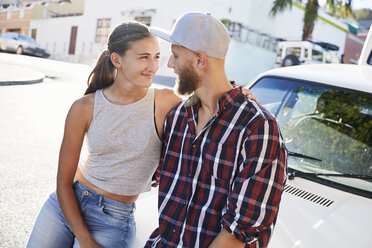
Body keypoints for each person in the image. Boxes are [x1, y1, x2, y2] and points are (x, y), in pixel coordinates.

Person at [26, 21, 256, 248]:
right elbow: (63, 182)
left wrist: (241, 94)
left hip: (113, 219)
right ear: (117, 59)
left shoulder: (165, 103)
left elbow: (211, 103)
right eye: (143, 57)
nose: (153, 66)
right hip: (65, 204)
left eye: (156, 56)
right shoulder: (84, 107)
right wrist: (84, 239)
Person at [145, 12, 288, 248]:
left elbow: (239, 232)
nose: (169, 64)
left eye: (176, 55)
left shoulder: (258, 128)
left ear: (200, 60)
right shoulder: (178, 116)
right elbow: (147, 176)